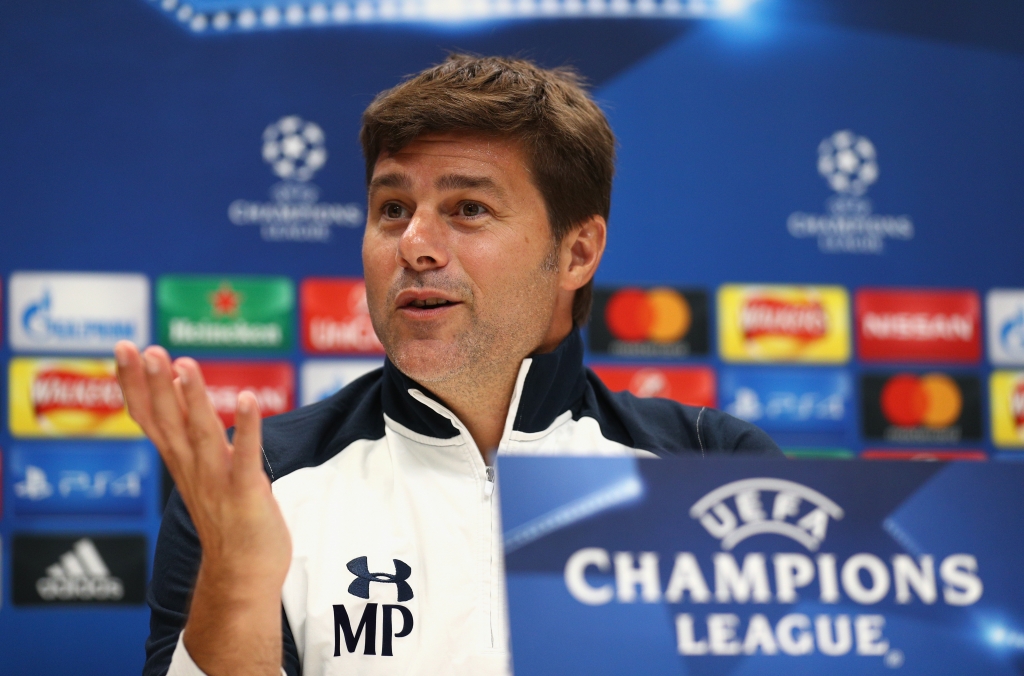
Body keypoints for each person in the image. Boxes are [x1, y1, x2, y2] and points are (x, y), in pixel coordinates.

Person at [120, 54, 782, 676]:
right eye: (392, 209)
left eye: (468, 209)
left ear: (577, 253)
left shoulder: (714, 470)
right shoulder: (262, 486)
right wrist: (237, 589)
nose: (415, 245)